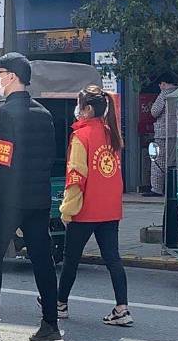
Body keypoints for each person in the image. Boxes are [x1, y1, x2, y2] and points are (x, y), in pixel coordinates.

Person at [0, 52, 60, 341]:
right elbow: (50, 159)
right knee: (42, 259)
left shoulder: (5, 114)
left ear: (12, 77)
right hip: (38, 199)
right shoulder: (44, 114)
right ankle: (50, 323)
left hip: (7, 200)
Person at [57, 85, 133, 327]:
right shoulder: (112, 133)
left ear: (87, 109)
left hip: (85, 210)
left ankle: (60, 304)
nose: (78, 110)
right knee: (113, 259)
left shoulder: (81, 136)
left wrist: (67, 210)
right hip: (110, 209)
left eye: (80, 105)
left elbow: (76, 176)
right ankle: (122, 308)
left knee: (71, 260)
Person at [150, 72, 178, 196]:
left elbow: (154, 111)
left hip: (163, 134)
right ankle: (175, 188)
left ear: (164, 83)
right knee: (175, 162)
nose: (160, 87)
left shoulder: (164, 94)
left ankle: (156, 189)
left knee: (158, 161)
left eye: (160, 84)